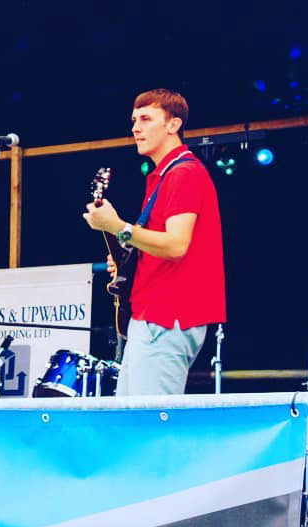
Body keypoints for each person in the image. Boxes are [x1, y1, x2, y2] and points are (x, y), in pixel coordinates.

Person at [82, 88, 225, 396]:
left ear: (174, 124)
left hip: (167, 315)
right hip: (153, 315)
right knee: (133, 417)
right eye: (134, 120)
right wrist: (128, 259)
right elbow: (163, 245)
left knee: (150, 417)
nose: (136, 128)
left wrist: (117, 227)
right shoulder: (165, 175)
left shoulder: (184, 173)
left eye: (146, 119)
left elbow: (176, 245)